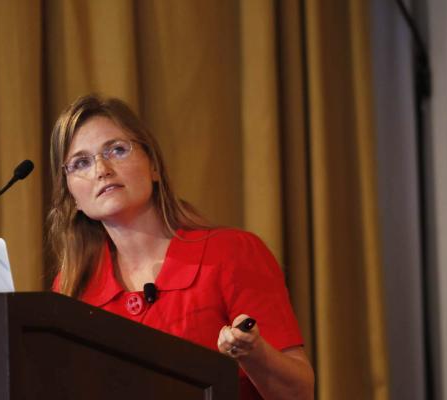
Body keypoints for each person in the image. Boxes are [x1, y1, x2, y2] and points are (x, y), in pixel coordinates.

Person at [47, 94, 314, 399]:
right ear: (72, 197)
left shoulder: (231, 253)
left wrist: (254, 353)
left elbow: (299, 393)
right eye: (81, 162)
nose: (101, 169)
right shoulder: (71, 289)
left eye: (117, 150)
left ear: (154, 167)